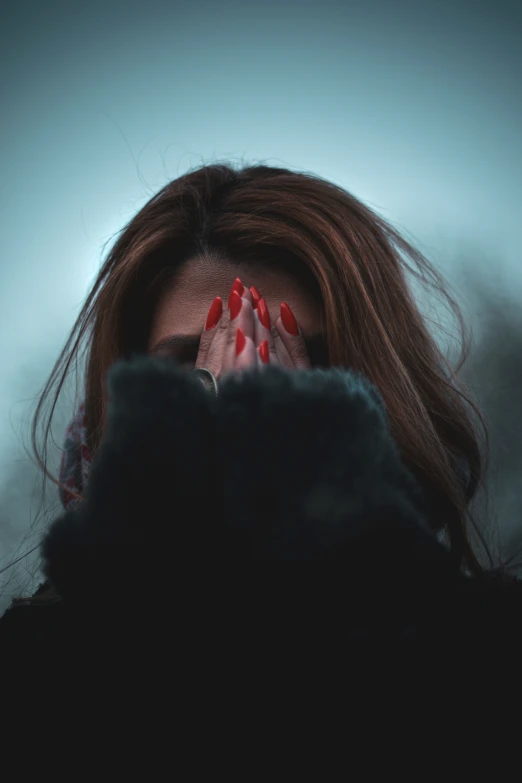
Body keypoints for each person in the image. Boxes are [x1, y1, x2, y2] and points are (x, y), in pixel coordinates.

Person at [1, 162, 521, 675]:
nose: (252, 403)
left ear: (389, 393)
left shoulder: (490, 647)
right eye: (196, 370)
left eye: (307, 367)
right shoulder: (37, 661)